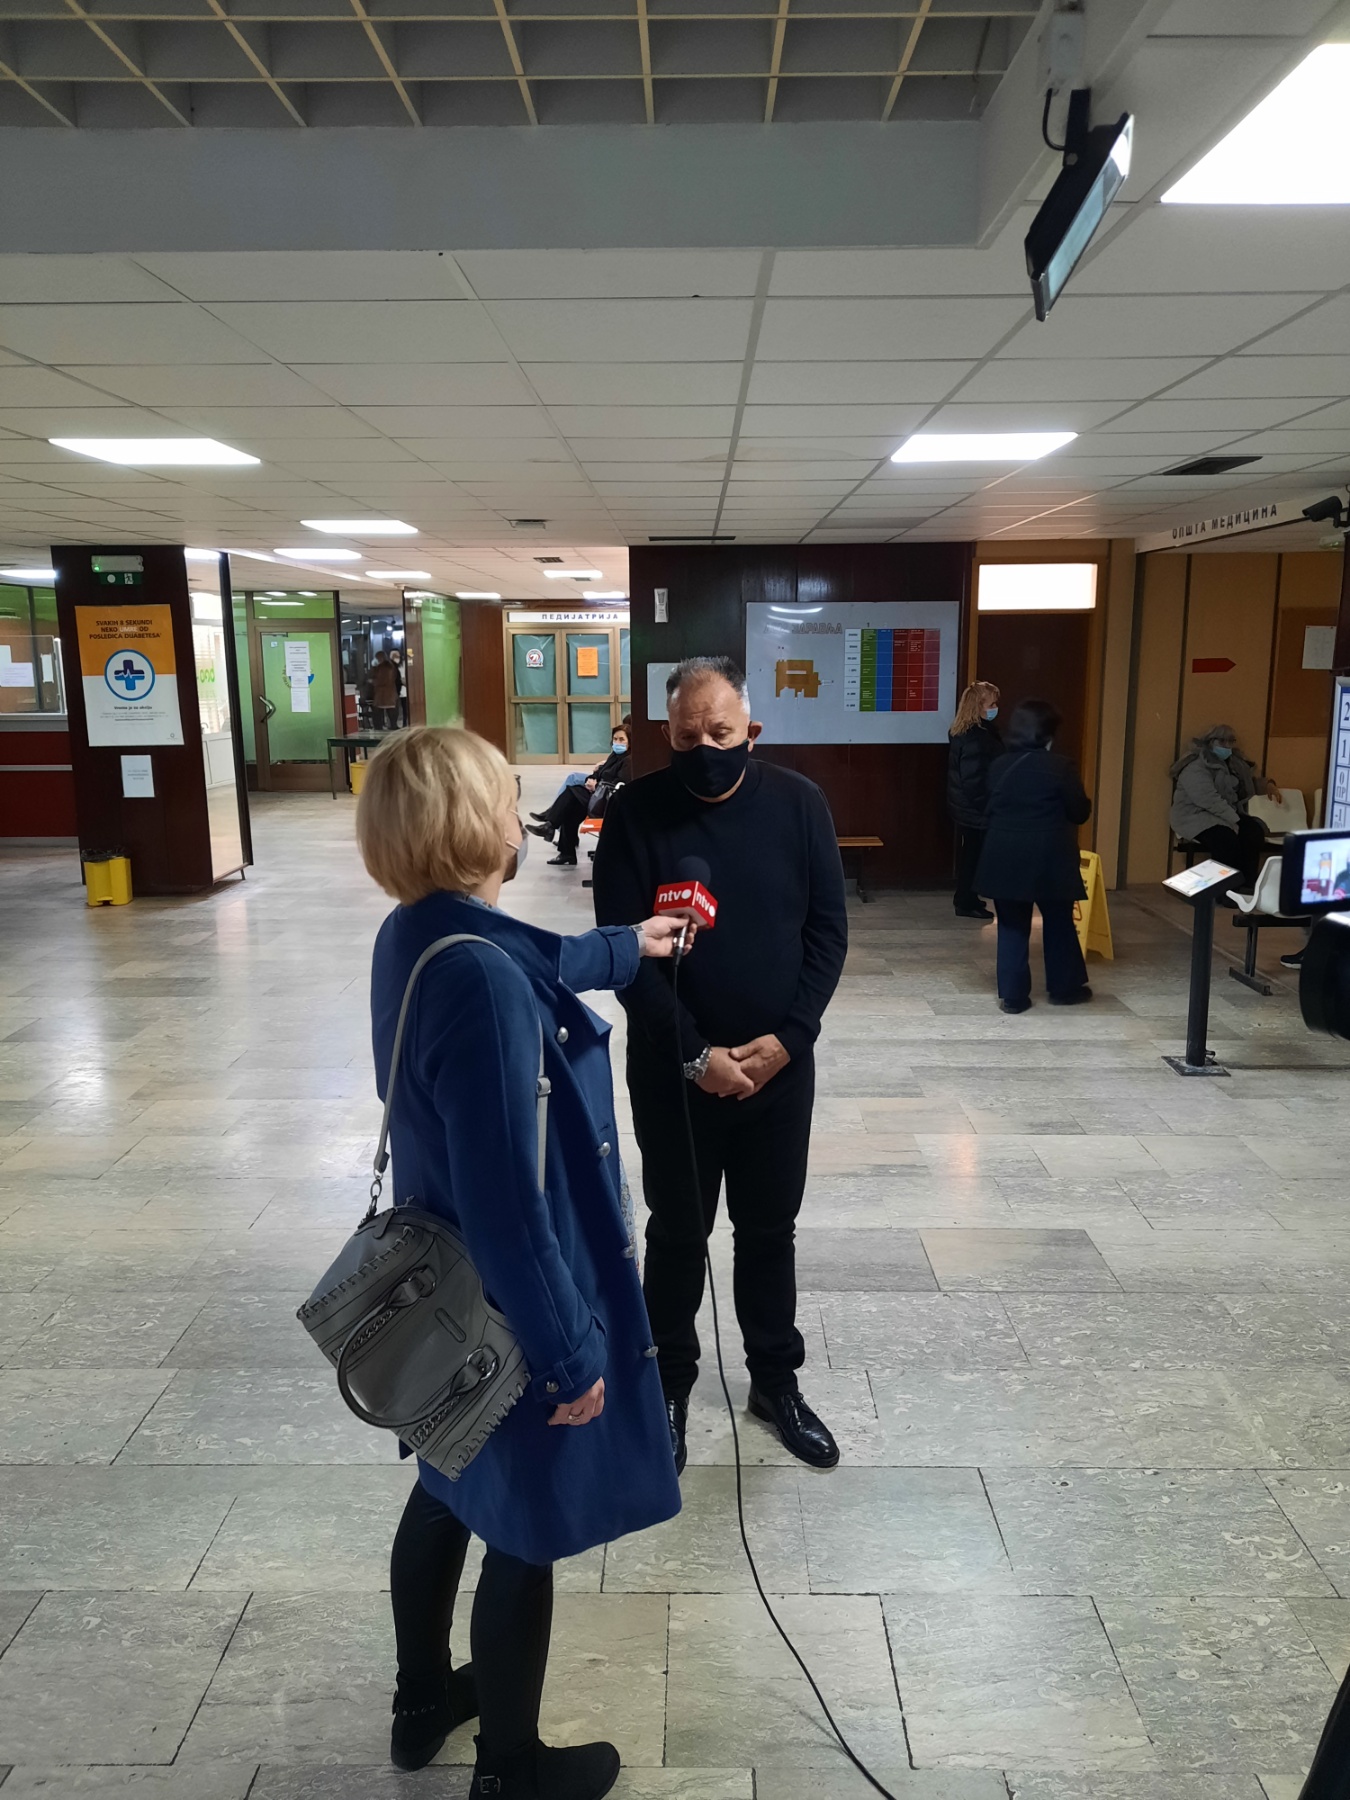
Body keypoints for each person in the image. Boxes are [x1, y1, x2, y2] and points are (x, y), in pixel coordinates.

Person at [356, 726, 687, 1799]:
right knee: (526, 1526)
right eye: (505, 797)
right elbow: (509, 1201)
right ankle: (511, 1769)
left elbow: (531, 958)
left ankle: (421, 1701)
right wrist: (569, 1356)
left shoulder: (418, 934)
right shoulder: (481, 983)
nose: (520, 813)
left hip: (440, 1290)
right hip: (508, 1301)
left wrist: (626, 946)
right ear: (470, 824)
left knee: (446, 1484)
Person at [592, 655, 848, 1474]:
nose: (704, 748)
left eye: (720, 732)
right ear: (665, 734)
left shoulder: (800, 805)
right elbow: (620, 953)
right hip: (674, 1071)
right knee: (677, 1233)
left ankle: (775, 1382)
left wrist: (790, 1038)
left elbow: (827, 932)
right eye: (686, 737)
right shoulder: (635, 813)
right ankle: (667, 1387)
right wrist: (696, 1055)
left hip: (779, 1070)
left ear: (752, 730)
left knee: (770, 1232)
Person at [976, 698, 1093, 1014]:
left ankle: (1013, 997)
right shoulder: (1061, 767)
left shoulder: (999, 766)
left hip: (1004, 855)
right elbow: (1079, 812)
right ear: (1048, 733)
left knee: (1011, 925)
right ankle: (1064, 989)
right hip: (1049, 856)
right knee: (1059, 922)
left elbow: (986, 805)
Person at [1169, 724, 1281, 889]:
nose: (1227, 746)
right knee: (1225, 841)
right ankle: (1222, 890)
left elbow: (1247, 783)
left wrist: (1268, 785)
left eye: (1231, 741)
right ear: (1210, 742)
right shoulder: (1195, 767)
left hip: (1225, 814)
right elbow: (1208, 800)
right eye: (1222, 741)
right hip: (1195, 816)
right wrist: (1234, 820)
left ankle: (1247, 886)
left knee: (1253, 833)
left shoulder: (1234, 764)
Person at [528, 724, 633, 868]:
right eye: (615, 739)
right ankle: (565, 851)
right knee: (570, 806)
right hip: (598, 796)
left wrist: (596, 786)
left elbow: (620, 785)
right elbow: (600, 773)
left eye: (621, 739)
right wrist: (592, 778)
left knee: (571, 793)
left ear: (629, 742)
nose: (617, 742)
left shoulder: (629, 761)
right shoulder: (614, 756)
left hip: (608, 802)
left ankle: (550, 826)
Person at [947, 680, 1003, 919]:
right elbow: (974, 780)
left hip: (965, 806)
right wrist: (987, 806)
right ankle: (965, 901)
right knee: (973, 856)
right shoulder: (976, 738)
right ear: (978, 706)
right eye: (991, 704)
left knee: (971, 853)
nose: (995, 708)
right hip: (976, 807)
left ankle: (967, 897)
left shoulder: (965, 731)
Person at [370, 649, 403, 731]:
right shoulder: (390, 666)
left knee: (379, 712)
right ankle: (392, 726)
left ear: (380, 658)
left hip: (383, 694)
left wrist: (373, 682)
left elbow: (382, 680)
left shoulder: (384, 668)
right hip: (390, 694)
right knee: (391, 711)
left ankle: (380, 727)